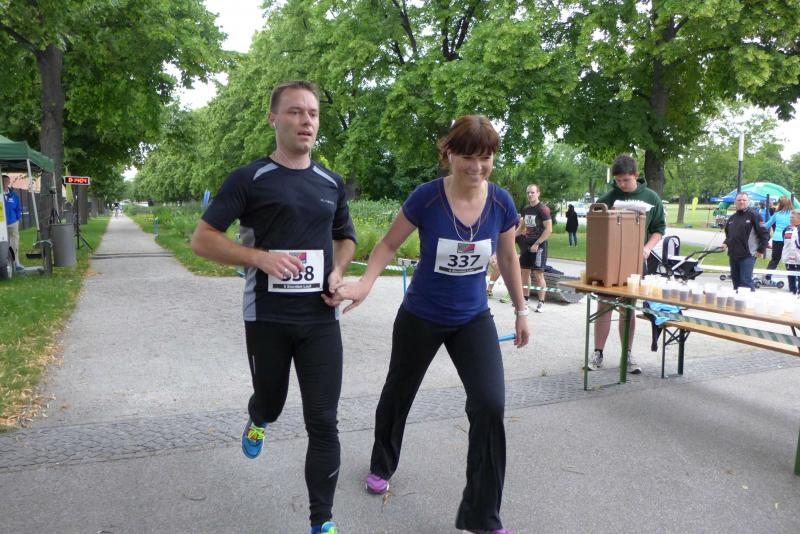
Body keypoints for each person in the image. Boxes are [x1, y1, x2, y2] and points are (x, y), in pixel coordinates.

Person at [335, 115, 529, 534]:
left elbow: (509, 257)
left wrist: (521, 310)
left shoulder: (501, 203)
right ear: (449, 154)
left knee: (490, 404)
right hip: (421, 315)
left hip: (472, 318)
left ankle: (482, 516)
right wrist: (366, 283)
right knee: (398, 393)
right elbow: (388, 243)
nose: (477, 166)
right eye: (468, 156)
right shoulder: (426, 198)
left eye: (485, 157)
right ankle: (381, 464)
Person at [190, 80, 356, 534]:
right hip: (267, 318)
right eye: (295, 112)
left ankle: (322, 520)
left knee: (323, 421)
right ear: (273, 119)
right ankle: (259, 416)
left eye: (313, 113)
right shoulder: (249, 178)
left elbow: (345, 238)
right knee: (273, 401)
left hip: (321, 319)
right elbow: (202, 240)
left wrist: (339, 271)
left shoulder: (331, 182)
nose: (306, 121)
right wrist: (258, 258)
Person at [588, 155, 666, 374]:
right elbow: (596, 228)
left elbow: (659, 229)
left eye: (626, 180)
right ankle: (598, 352)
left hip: (635, 262)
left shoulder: (651, 197)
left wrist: (647, 248)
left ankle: (627, 354)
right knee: (603, 307)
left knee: (627, 309)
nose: (621, 184)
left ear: (636, 175)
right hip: (610, 263)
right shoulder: (608, 198)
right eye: (618, 180)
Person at [721, 191, 769, 292]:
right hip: (733, 255)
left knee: (745, 282)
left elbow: (765, 234)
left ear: (748, 201)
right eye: (739, 200)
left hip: (748, 255)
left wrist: (761, 250)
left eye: (744, 200)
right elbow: (730, 235)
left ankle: (750, 301)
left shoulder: (754, 215)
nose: (741, 202)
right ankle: (736, 301)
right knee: (736, 282)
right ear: (735, 202)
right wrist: (725, 243)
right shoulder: (732, 218)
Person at [516, 184, 552, 312]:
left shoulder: (543, 209)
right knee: (525, 272)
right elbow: (522, 227)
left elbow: (549, 229)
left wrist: (537, 243)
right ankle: (525, 299)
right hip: (527, 244)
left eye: (532, 192)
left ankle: (541, 302)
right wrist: (511, 237)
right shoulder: (526, 209)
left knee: (538, 274)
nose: (530, 195)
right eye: (528, 193)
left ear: (538, 193)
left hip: (539, 245)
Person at [762, 195, 792, 281]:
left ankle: (767, 277)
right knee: (789, 260)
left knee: (775, 259)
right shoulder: (793, 214)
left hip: (777, 239)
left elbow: (767, 225)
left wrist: (758, 224)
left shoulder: (777, 214)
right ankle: (792, 279)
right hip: (788, 239)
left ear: (780, 204)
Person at [2, 174, 24, 272]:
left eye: (6, 181)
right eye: (3, 181)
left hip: (13, 223)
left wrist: (18, 218)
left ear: (8, 182)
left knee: (14, 243)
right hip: (1, 224)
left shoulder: (14, 195)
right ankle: (5, 263)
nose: (5, 183)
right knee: (3, 244)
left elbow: (18, 208)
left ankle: (16, 263)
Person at [780, 209, 800, 295]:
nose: (791, 219)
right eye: (790, 217)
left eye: (793, 217)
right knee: (791, 276)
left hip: (798, 257)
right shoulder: (787, 228)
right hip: (788, 257)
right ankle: (792, 291)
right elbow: (784, 240)